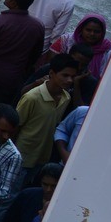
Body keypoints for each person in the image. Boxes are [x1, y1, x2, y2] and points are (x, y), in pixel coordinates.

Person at [13, 55, 77, 186]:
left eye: (72, 76)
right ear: (52, 73)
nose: (70, 80)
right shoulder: (32, 97)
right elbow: (15, 127)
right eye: (65, 75)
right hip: (21, 156)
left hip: (42, 157)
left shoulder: (66, 97)